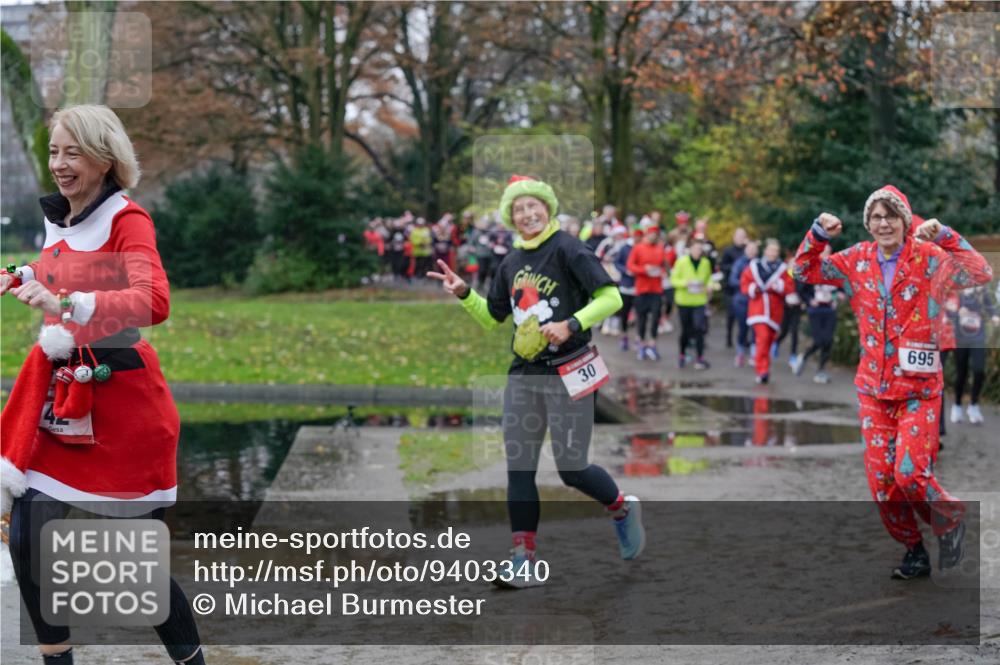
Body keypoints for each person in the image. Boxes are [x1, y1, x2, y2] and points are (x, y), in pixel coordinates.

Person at [0, 105, 205, 664]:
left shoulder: (127, 219)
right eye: (53, 152)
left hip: (127, 403)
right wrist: (21, 275)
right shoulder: (59, 217)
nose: (58, 165)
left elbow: (153, 301)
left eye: (72, 153)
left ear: (104, 158)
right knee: (26, 537)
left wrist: (67, 303)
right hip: (64, 396)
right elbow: (63, 268)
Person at [428, 175, 645, 588]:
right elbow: (492, 317)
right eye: (519, 209)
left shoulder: (568, 248)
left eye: (534, 206)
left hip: (570, 371)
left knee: (572, 468)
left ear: (547, 208)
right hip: (525, 375)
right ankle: (522, 558)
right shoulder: (510, 262)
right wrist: (462, 293)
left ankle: (621, 508)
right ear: (511, 217)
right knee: (520, 467)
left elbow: (612, 297)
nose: (527, 214)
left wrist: (572, 323)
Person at [793, 184, 993, 579]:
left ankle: (949, 516)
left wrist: (946, 236)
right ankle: (914, 550)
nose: (883, 223)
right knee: (883, 485)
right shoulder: (857, 260)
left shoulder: (930, 258)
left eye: (891, 216)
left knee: (910, 474)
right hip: (874, 390)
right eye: (876, 217)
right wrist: (818, 234)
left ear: (905, 221)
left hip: (918, 391)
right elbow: (802, 270)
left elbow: (980, 271)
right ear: (868, 223)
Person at [741, 238, 793, 384]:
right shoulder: (754, 266)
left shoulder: (782, 269)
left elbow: (789, 287)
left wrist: (779, 286)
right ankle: (761, 370)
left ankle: (765, 369)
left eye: (775, 251)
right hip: (758, 309)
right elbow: (744, 284)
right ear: (765, 251)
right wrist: (754, 288)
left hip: (775, 311)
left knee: (769, 341)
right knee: (762, 339)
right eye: (770, 250)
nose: (773, 253)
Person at [947, 285, 998, 425]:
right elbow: (948, 311)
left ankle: (973, 405)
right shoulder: (957, 291)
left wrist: (994, 316)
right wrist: (958, 311)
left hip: (978, 338)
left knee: (979, 370)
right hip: (961, 338)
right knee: (961, 373)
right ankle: (957, 406)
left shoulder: (982, 292)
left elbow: (990, 307)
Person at [792, 245, 839, 383]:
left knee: (828, 340)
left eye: (829, 252)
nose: (826, 255)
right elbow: (800, 287)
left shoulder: (834, 269)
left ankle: (821, 371)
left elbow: (842, 286)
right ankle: (805, 357)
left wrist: (838, 296)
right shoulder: (811, 268)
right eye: (824, 252)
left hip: (829, 308)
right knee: (819, 340)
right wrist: (809, 300)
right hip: (816, 309)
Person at [626, 220, 669, 361]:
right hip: (642, 289)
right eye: (651, 234)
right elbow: (630, 266)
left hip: (656, 289)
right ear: (646, 234)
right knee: (642, 318)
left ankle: (653, 344)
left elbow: (665, 265)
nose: (653, 236)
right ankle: (641, 344)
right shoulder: (638, 248)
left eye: (655, 234)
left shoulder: (661, 248)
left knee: (656, 317)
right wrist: (644, 269)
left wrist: (662, 271)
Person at [671, 237, 713, 369]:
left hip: (699, 301)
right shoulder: (682, 262)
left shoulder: (705, 263)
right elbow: (673, 280)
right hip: (684, 301)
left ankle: (700, 357)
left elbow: (708, 279)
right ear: (690, 249)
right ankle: (682, 355)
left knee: (699, 329)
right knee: (686, 330)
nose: (697, 251)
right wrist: (685, 283)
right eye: (695, 249)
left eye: (700, 249)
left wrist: (710, 286)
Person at [729, 240, 759, 368]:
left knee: (756, 328)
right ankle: (740, 353)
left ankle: (754, 354)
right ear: (745, 250)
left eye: (754, 249)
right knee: (743, 328)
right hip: (741, 301)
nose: (752, 251)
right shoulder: (739, 263)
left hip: (756, 302)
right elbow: (732, 280)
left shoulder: (760, 264)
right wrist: (748, 285)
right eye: (749, 249)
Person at [720, 227, 748, 349]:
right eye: (738, 236)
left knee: (745, 314)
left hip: (744, 287)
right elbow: (722, 267)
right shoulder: (728, 251)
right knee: (731, 314)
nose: (740, 239)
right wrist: (735, 267)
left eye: (743, 236)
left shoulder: (747, 251)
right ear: (734, 237)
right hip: (730, 287)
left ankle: (743, 338)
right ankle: (728, 337)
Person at [613, 228, 639, 351]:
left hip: (639, 286)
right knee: (624, 312)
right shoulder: (625, 248)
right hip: (626, 286)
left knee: (639, 314)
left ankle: (638, 338)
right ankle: (624, 336)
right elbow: (617, 262)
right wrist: (625, 271)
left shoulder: (642, 248)